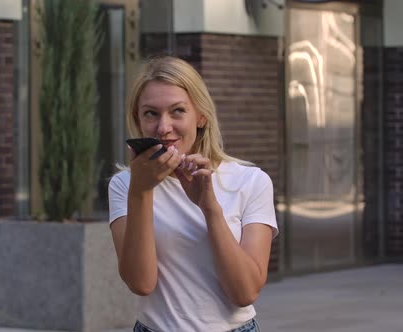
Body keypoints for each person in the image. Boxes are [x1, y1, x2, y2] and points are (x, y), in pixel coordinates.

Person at [108, 56, 278, 332]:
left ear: (200, 116)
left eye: (177, 111)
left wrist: (209, 207)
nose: (163, 128)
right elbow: (141, 283)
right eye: (151, 113)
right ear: (138, 120)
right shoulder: (125, 185)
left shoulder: (251, 181)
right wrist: (141, 191)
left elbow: (245, 293)